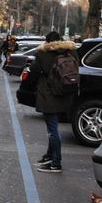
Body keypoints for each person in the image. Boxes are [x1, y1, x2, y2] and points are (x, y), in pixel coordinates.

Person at [28, 31, 78, 173]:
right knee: (53, 128)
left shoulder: (43, 53)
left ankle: (56, 163)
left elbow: (34, 71)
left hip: (48, 94)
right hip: (65, 93)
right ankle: (49, 156)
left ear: (46, 41)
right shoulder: (70, 51)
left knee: (52, 130)